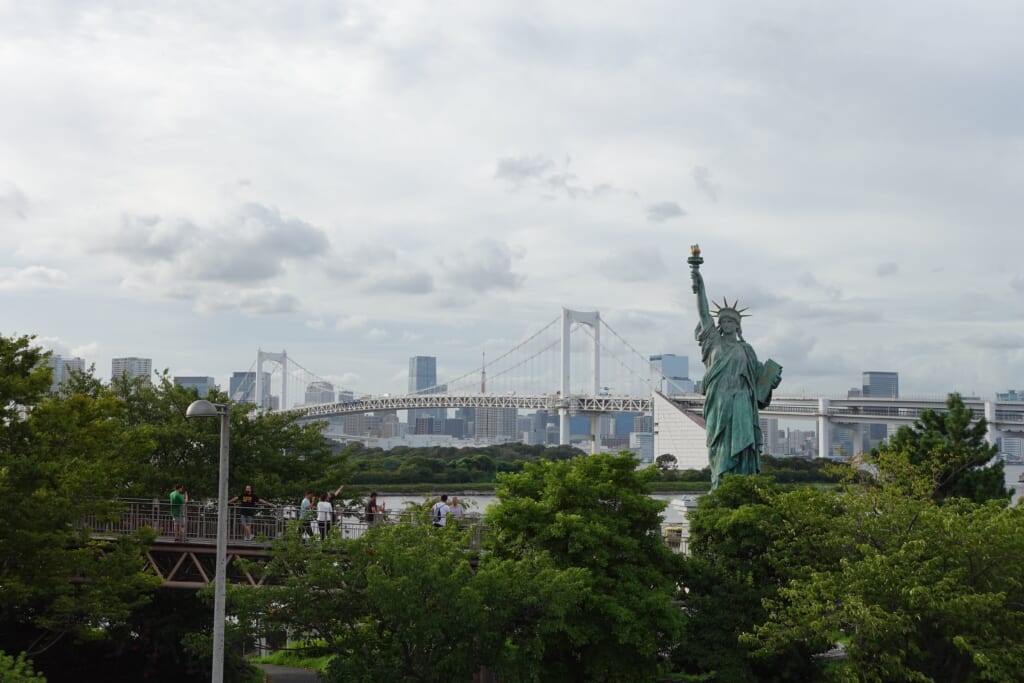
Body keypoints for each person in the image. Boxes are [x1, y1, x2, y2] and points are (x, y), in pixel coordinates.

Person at [690, 247, 782, 488]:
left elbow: (759, 383)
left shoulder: (746, 350)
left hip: (742, 403)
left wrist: (771, 382)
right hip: (718, 403)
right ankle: (719, 485)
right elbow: (702, 312)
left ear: (738, 325)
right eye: (724, 321)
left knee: (743, 450)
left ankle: (742, 486)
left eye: (732, 321)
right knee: (719, 448)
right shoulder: (713, 342)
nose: (727, 324)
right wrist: (697, 276)